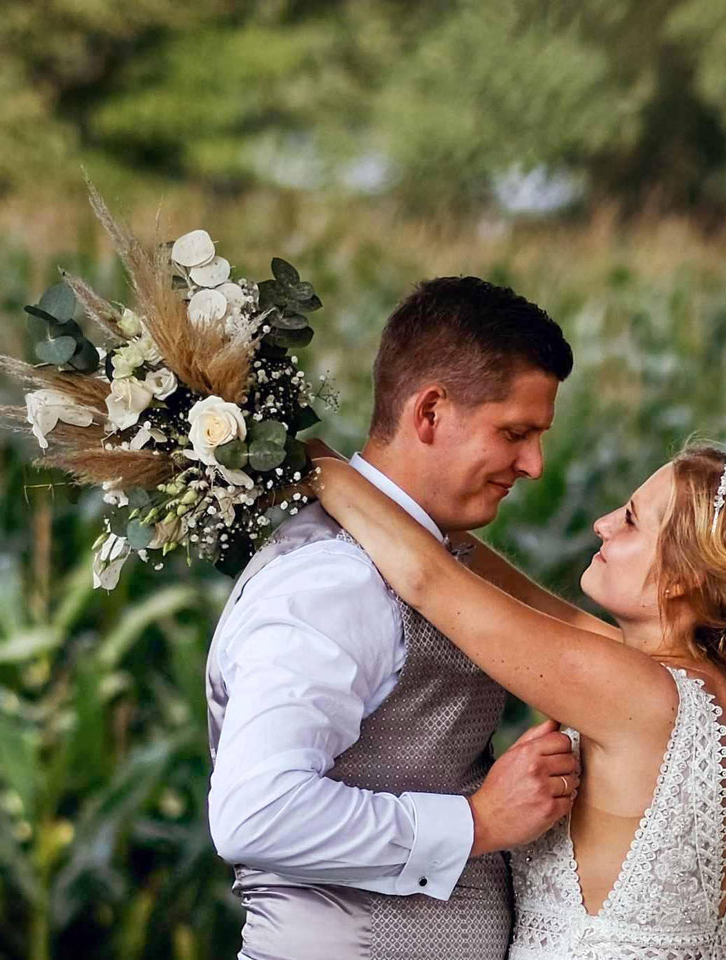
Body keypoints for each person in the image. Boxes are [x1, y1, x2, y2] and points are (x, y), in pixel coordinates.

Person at [309, 444, 726, 959]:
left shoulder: (639, 693)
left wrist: (308, 465)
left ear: (685, 576)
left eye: (630, 520)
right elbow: (530, 604)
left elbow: (429, 579)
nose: (603, 524)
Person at [205, 276, 581, 960]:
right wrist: (478, 821)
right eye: (515, 433)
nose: (534, 465)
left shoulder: (429, 557)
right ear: (431, 413)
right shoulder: (333, 580)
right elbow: (255, 813)